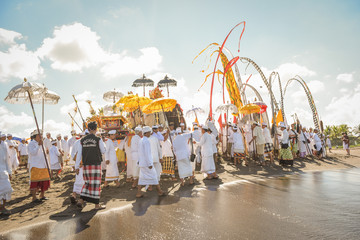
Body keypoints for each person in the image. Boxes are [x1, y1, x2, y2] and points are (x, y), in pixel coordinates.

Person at [75, 121, 106, 210]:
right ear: (96, 129)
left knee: (87, 183)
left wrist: (77, 167)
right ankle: (96, 205)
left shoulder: (82, 140)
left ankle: (81, 200)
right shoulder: (98, 139)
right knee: (96, 184)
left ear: (88, 129)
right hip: (95, 164)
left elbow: (79, 154)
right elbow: (103, 151)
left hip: (86, 164)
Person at [136, 126, 166, 198]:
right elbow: (147, 153)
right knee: (154, 176)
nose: (150, 133)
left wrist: (139, 161)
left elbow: (139, 152)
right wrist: (150, 163)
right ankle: (159, 191)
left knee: (141, 178)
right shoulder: (146, 141)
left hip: (142, 163)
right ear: (147, 133)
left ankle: (139, 193)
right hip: (147, 163)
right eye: (149, 132)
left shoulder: (141, 140)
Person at [28, 129, 51, 202]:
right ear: (35, 136)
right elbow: (33, 153)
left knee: (44, 181)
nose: (41, 137)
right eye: (39, 136)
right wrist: (38, 145)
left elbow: (44, 155)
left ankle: (42, 195)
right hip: (36, 165)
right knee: (35, 182)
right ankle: (34, 197)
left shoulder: (43, 143)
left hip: (43, 165)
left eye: (41, 136)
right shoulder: (31, 144)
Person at [0, 134, 13, 216]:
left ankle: (2, 207)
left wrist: (10, 172)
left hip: (3, 171)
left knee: (7, 189)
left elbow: (7, 159)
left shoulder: (4, 144)